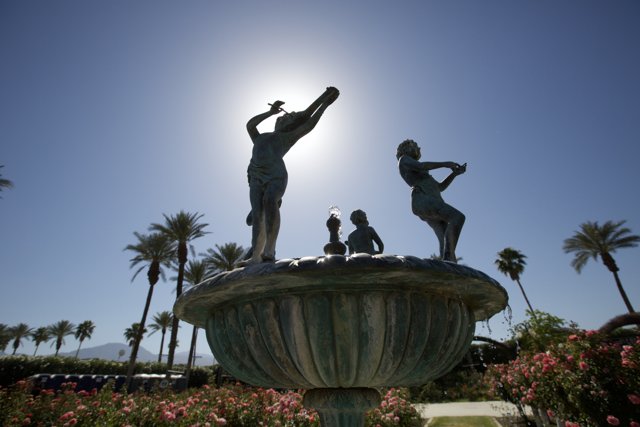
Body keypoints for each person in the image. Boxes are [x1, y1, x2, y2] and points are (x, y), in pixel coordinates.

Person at [244, 86, 340, 264]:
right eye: (283, 117)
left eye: (289, 117)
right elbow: (250, 125)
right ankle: (255, 255)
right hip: (255, 176)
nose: (285, 118)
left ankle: (269, 251)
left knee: (270, 201)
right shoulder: (260, 137)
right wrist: (270, 111)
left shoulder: (287, 137)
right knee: (257, 214)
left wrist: (324, 102)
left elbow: (308, 121)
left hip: (275, 174)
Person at [396, 139, 466, 262]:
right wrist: (445, 164)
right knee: (457, 217)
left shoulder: (424, 174)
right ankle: (449, 259)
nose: (418, 148)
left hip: (432, 200)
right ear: (405, 148)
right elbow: (422, 165)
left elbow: (440, 187)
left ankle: (448, 263)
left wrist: (454, 174)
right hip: (423, 199)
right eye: (415, 146)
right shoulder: (404, 159)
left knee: (445, 238)